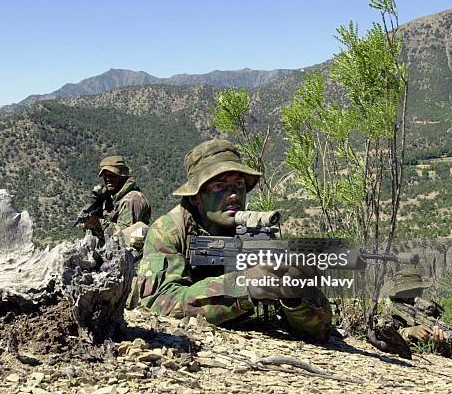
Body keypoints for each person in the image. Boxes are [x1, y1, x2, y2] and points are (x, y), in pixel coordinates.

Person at [137, 139, 331, 341]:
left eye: (239, 184)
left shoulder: (256, 233)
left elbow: (321, 330)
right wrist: (244, 284)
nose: (233, 195)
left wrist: (294, 297)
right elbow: (159, 305)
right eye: (219, 186)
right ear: (196, 197)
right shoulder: (169, 230)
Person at [380, 267, 451, 353]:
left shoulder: (428, 308)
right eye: (408, 292)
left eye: (417, 291)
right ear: (399, 292)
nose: (413, 296)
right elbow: (382, 334)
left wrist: (438, 341)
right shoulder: (389, 306)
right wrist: (410, 332)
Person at [83, 155, 151, 243]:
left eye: (112, 175)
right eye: (105, 176)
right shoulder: (109, 198)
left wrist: (98, 223)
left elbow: (124, 235)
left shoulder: (132, 199)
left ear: (122, 176)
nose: (108, 179)